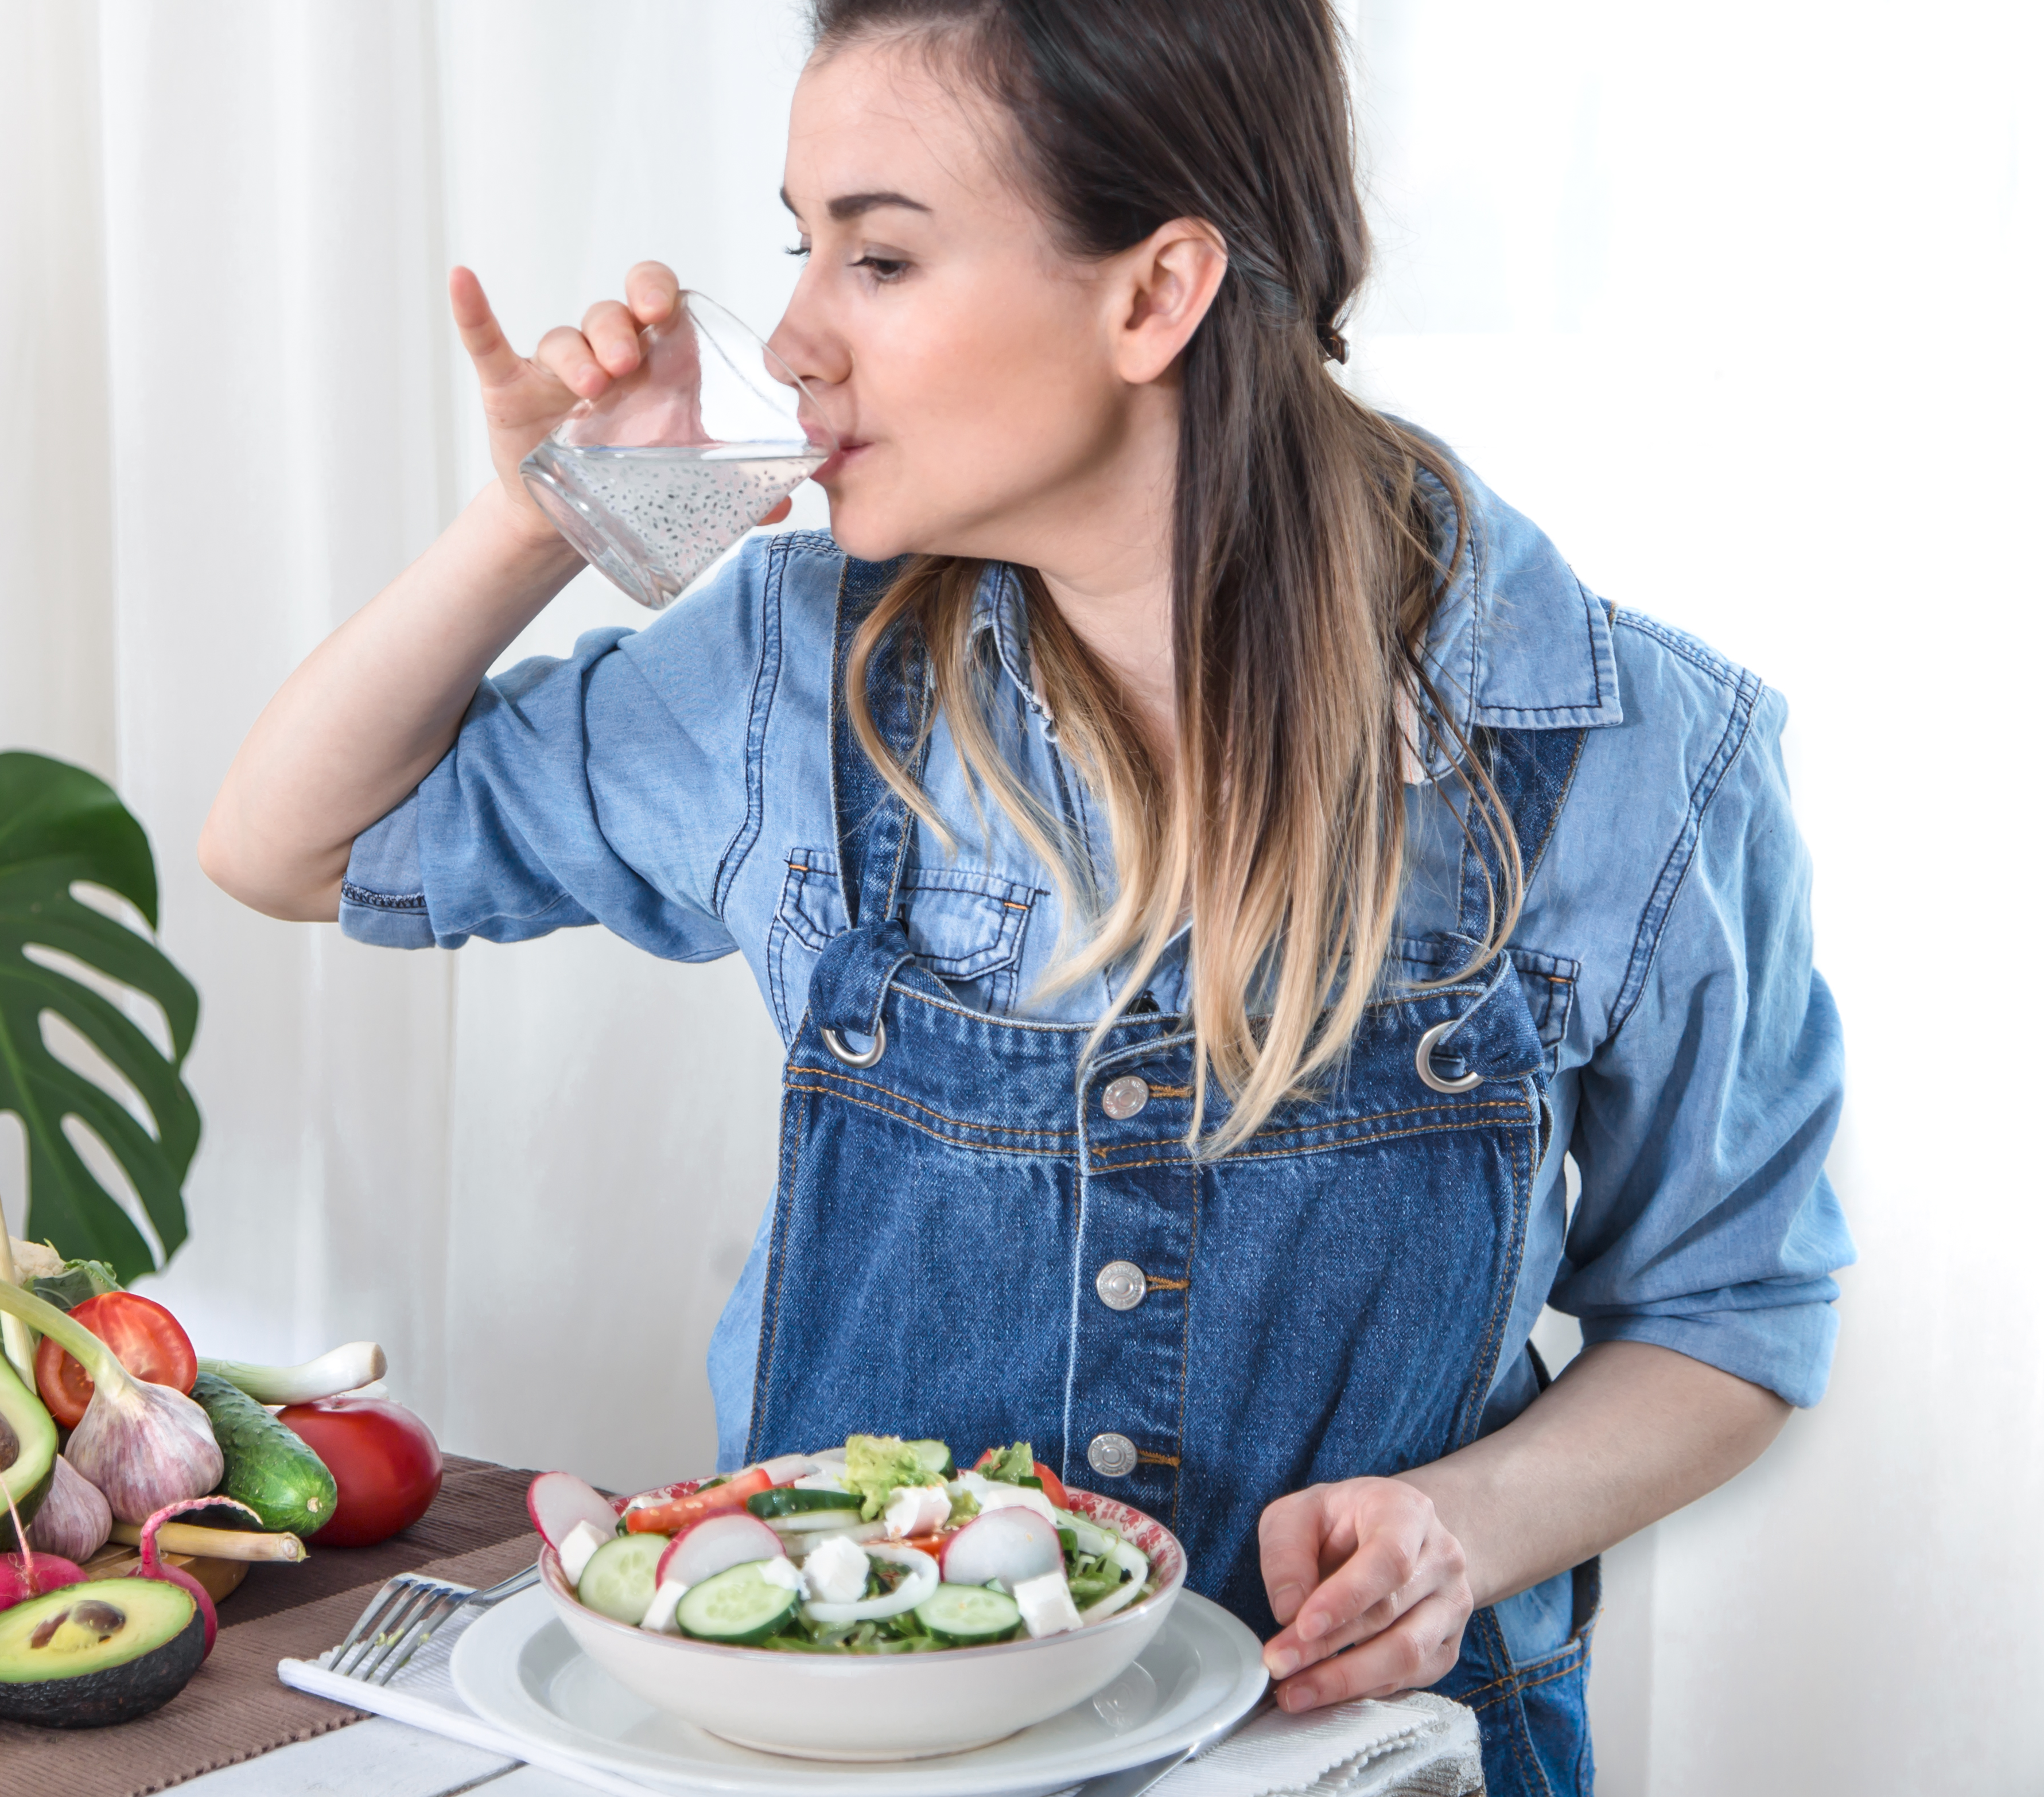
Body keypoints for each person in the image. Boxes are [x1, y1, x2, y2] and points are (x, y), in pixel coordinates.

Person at [200, 2, 1851, 1789]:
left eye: (883, 255)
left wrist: (1466, 1524)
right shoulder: (786, 675)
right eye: (801, 244)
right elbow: (294, 845)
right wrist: (538, 523)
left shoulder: (1631, 751)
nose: (801, 339)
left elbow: (1725, 1312)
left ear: (1153, 294)